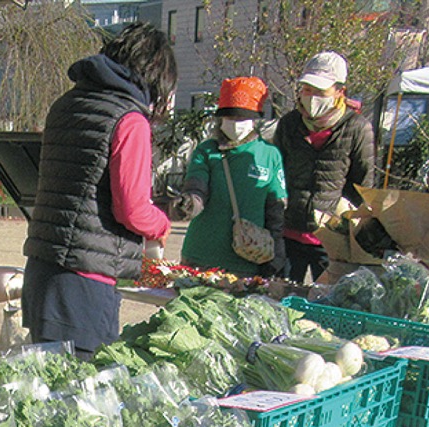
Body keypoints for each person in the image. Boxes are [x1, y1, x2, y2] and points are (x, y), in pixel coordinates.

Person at [21, 23, 176, 356]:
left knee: (47, 379)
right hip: (85, 285)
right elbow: (133, 209)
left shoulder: (66, 103)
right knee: (84, 383)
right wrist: (161, 224)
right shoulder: (129, 119)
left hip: (42, 270)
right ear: (153, 75)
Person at [169, 76, 287, 277]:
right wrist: (188, 204)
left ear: (254, 119)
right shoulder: (206, 151)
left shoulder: (269, 155)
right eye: (230, 118)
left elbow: (276, 210)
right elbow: (197, 188)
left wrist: (277, 254)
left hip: (247, 260)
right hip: (200, 256)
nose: (235, 123)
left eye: (241, 118)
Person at [274, 51, 374, 284]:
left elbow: (363, 186)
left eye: (320, 91)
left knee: (327, 299)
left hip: (330, 238)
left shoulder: (357, 128)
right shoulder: (289, 124)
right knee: (281, 296)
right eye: (307, 89)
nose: (312, 97)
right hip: (289, 232)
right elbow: (277, 174)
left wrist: (345, 226)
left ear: (340, 91)